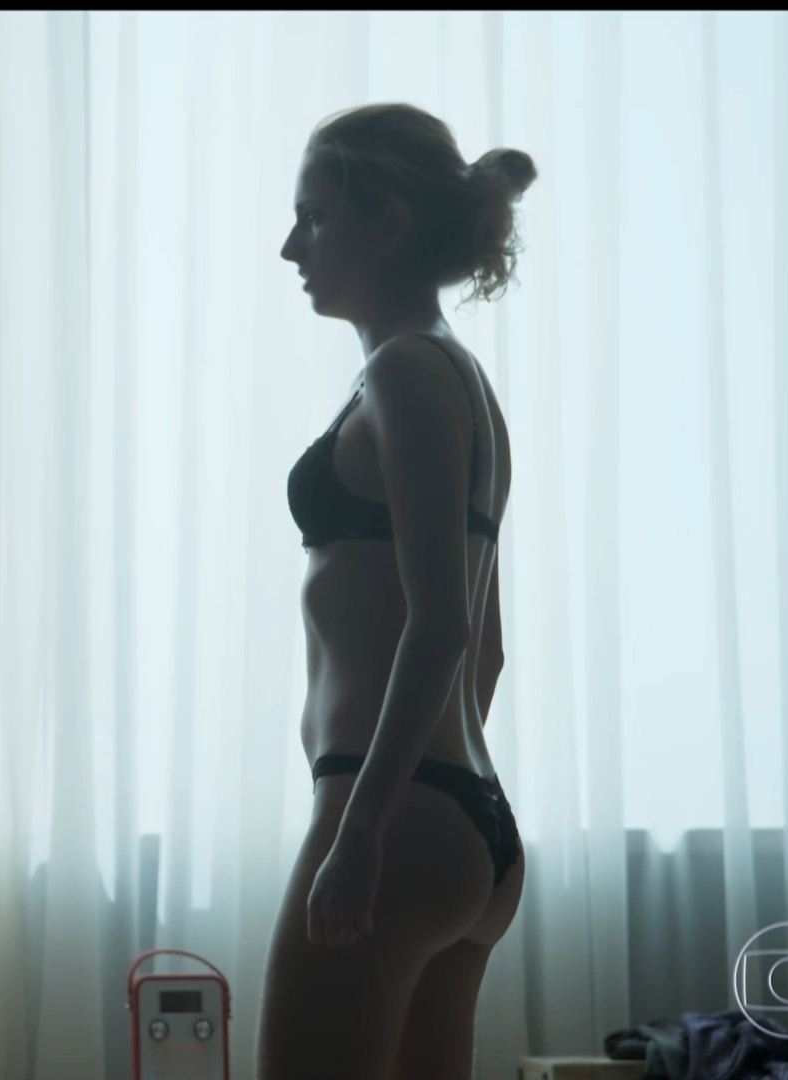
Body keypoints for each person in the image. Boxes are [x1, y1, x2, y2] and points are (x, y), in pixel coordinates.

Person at [256, 102, 538, 1080]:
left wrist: (370, 826)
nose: (291, 246)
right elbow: (485, 645)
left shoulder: (408, 373)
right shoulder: (453, 378)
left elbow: (443, 627)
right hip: (462, 818)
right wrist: (441, 813)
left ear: (389, 219)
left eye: (314, 217)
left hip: (394, 813)